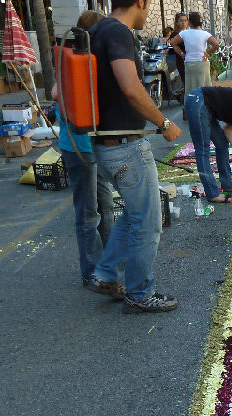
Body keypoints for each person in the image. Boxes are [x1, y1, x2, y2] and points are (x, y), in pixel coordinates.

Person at [88, 0, 182, 314]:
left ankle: (107, 274)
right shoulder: (118, 32)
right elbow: (131, 87)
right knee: (148, 222)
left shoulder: (97, 29)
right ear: (140, 2)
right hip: (124, 146)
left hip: (106, 143)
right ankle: (141, 293)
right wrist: (164, 122)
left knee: (134, 215)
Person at [53, 10, 114, 289]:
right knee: (89, 213)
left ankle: (110, 264)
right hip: (79, 147)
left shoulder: (93, 59)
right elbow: (57, 95)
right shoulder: (73, 61)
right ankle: (91, 270)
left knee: (106, 206)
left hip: (97, 146)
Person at [171, 12, 220, 118]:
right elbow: (216, 44)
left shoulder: (184, 33)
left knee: (190, 88)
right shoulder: (205, 34)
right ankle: (207, 111)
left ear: (190, 22)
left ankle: (189, 113)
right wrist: (207, 53)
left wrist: (181, 54)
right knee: (205, 87)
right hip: (202, 63)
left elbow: (173, 43)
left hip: (189, 64)